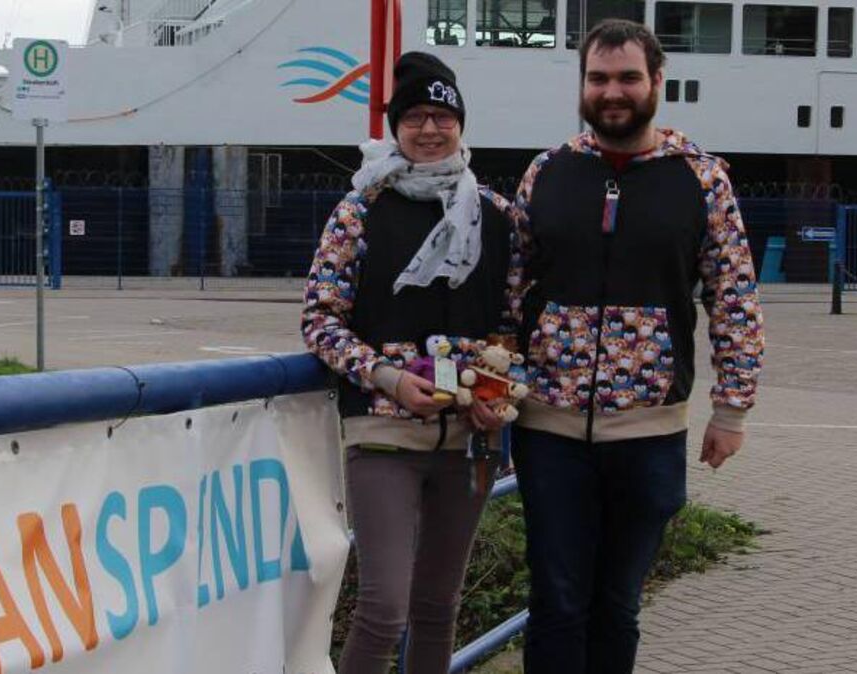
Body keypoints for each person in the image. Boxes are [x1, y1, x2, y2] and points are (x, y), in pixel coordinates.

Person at [505, 19, 765, 673]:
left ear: (656, 82)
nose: (612, 92)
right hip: (549, 430)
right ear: (582, 85)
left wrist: (731, 410)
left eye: (627, 77)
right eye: (598, 79)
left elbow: (733, 297)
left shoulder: (701, 181)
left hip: (649, 433)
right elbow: (509, 291)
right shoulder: (547, 173)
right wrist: (492, 383)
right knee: (556, 600)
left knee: (617, 604)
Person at [301, 52, 516, 674]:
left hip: (469, 440)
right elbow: (320, 319)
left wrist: (498, 392)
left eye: (442, 117)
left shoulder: (497, 216)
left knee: (438, 607)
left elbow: (512, 323)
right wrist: (388, 377)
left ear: (461, 124)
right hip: (383, 435)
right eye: (415, 116)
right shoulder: (361, 210)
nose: (429, 129)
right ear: (395, 126)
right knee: (384, 609)